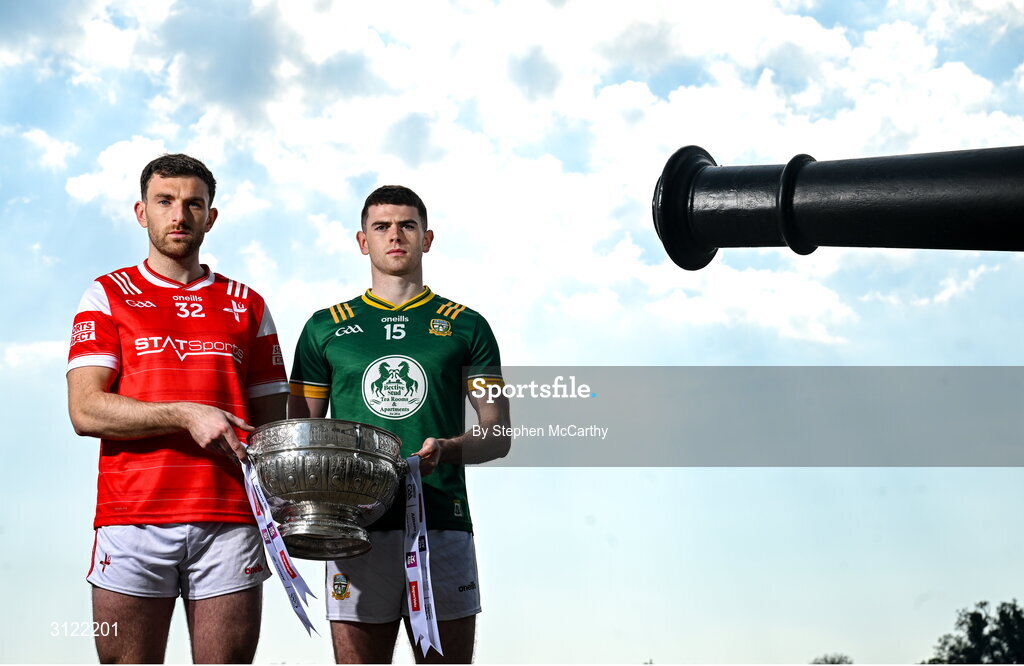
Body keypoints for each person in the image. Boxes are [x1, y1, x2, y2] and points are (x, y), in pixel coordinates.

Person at [66, 154, 288, 664]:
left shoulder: (246, 303)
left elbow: (274, 428)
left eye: (194, 204)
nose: (179, 215)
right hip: (132, 518)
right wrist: (186, 413)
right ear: (141, 212)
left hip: (232, 517)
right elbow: (85, 410)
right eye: (165, 201)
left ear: (211, 217)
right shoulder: (106, 295)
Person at [288, 185, 511, 664]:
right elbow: (300, 442)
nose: (396, 235)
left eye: (407, 225)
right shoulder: (323, 328)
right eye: (382, 226)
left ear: (427, 238)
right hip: (354, 528)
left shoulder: (467, 325)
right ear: (361, 240)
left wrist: (447, 449)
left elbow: (498, 434)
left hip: (441, 522)